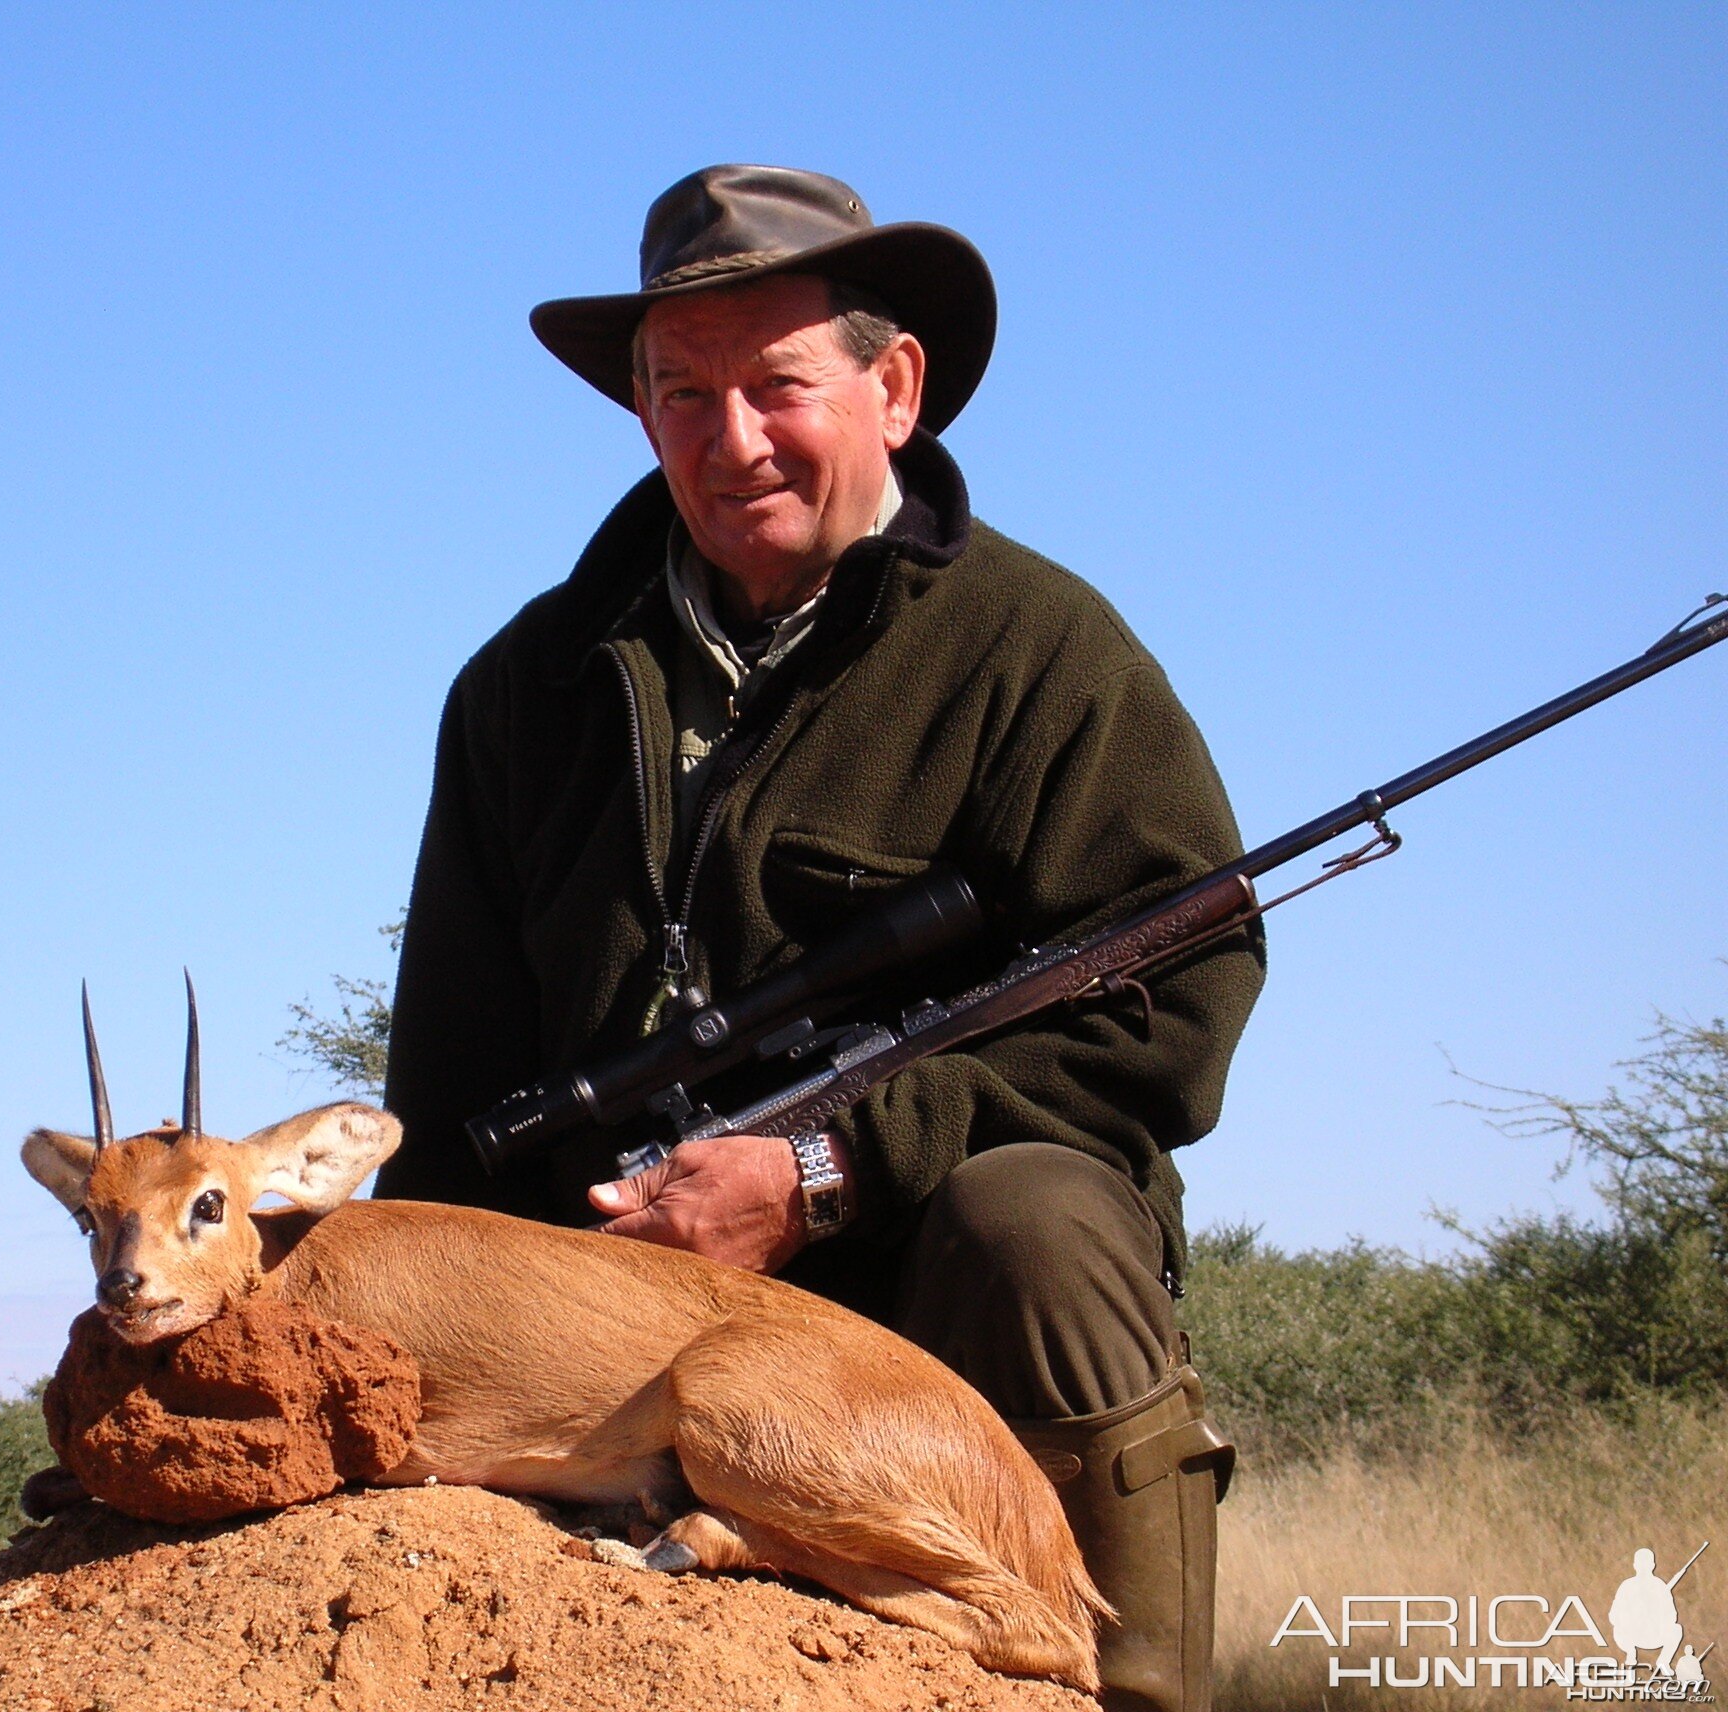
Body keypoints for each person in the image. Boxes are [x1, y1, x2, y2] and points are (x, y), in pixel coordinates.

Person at [379, 164, 1265, 1712]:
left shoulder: (1045, 653)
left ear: (893, 386)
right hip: (609, 1293)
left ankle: (1130, 1685)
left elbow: (1173, 1007)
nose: (730, 442)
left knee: (1036, 1220)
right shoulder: (521, 688)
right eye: (682, 393)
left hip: (923, 1292)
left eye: (779, 385)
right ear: (639, 409)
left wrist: (829, 1167)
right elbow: (448, 1088)